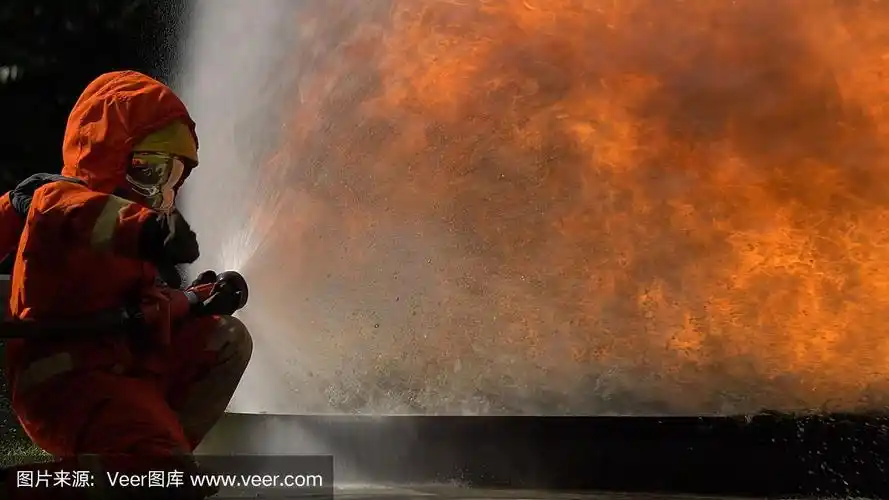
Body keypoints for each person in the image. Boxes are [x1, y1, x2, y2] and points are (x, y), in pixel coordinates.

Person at [0, 71, 253, 498]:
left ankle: (151, 459)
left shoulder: (131, 245)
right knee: (160, 475)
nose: (164, 193)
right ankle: (23, 487)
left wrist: (196, 301)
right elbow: (95, 217)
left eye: (172, 179)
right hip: (68, 381)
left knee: (227, 339)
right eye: (149, 172)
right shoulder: (58, 201)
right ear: (110, 157)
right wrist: (149, 231)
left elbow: (137, 311)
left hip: (124, 371)